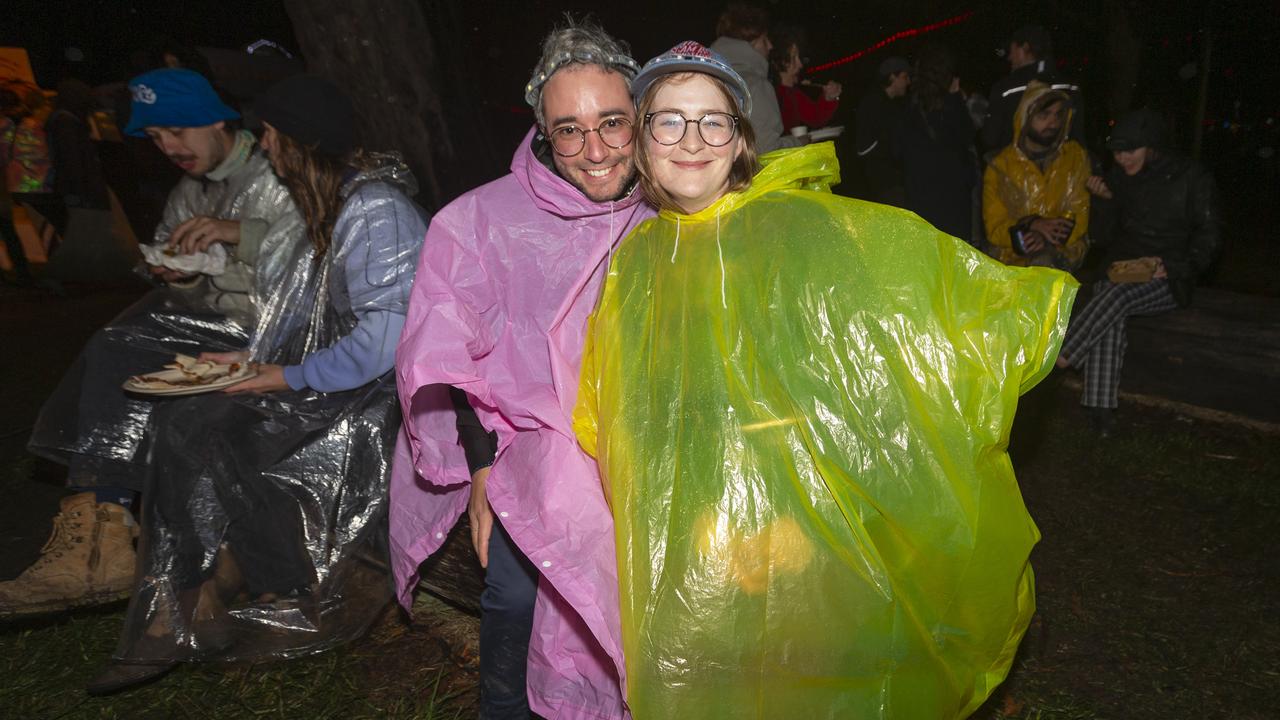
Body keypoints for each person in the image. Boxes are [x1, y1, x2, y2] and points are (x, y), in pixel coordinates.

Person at [573, 41, 1077, 718]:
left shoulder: (801, 228)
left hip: (806, 515)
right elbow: (613, 407)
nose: (692, 140)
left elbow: (901, 299)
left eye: (713, 121)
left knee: (816, 674)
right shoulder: (635, 263)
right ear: (641, 140)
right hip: (694, 528)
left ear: (741, 139)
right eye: (669, 120)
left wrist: (1004, 321)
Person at [85, 74, 427, 694]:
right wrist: (251, 357)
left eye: (269, 134)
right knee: (190, 415)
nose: (263, 146)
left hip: (385, 395)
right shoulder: (327, 205)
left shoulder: (374, 210)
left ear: (298, 140)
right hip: (340, 376)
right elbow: (303, 313)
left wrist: (287, 376)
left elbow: (387, 339)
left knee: (222, 424)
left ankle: (253, 593)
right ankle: (195, 590)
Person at [390, 19, 653, 719]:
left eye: (613, 124)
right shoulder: (482, 222)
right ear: (543, 130)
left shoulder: (675, 208)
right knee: (515, 590)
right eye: (570, 130)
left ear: (642, 119)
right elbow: (453, 354)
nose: (594, 150)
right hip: (536, 445)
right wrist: (481, 468)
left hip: (656, 448)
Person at [5, 68, 303, 618]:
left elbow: (320, 250)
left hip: (285, 332)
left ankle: (111, 535)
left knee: (146, 370)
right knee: (117, 344)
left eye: (177, 130)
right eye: (155, 137)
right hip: (222, 330)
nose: (168, 147)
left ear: (217, 119)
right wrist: (178, 273)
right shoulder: (188, 191)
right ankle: (100, 521)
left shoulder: (279, 166)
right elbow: (191, 283)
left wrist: (240, 233)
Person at [1056, 109, 1219, 435]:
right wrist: (1102, 201)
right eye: (1117, 151)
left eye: (1130, 150)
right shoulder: (1119, 179)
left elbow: (1210, 236)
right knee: (1111, 298)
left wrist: (1172, 267)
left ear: (1152, 146)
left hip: (1168, 278)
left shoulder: (1192, 177)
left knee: (1114, 295)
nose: (1122, 158)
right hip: (1121, 271)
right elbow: (1103, 238)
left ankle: (1062, 356)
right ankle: (1101, 413)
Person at [983, 80, 1090, 271]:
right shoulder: (1001, 166)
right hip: (1013, 258)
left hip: (1060, 256)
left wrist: (1048, 238)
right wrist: (1030, 228)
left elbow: (1079, 215)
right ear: (1026, 117)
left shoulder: (1074, 158)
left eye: (1058, 115)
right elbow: (995, 226)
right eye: (1044, 115)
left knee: (1045, 266)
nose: (1053, 122)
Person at [896, 45, 977, 242]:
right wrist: (956, 97)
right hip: (953, 197)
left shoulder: (909, 110)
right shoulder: (952, 107)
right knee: (955, 256)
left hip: (922, 196)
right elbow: (968, 137)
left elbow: (897, 152)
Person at [710, 3, 803, 153]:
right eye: (765, 40)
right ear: (752, 42)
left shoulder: (707, 78)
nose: (771, 46)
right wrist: (799, 142)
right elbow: (767, 149)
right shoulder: (755, 84)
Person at [981, 24, 1083, 155]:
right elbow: (1079, 134)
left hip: (1018, 170)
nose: (1009, 57)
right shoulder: (1071, 86)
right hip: (1065, 168)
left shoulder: (1005, 89)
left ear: (1025, 48)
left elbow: (990, 139)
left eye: (1012, 50)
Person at [854, 55, 910, 204]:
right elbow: (863, 148)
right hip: (885, 186)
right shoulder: (873, 104)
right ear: (892, 77)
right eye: (905, 77)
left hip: (895, 182)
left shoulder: (894, 105)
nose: (908, 82)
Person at [770, 27, 841, 133]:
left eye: (798, 57)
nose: (800, 64)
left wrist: (829, 98)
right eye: (793, 58)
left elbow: (815, 117)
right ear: (778, 62)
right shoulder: (766, 92)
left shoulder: (792, 93)